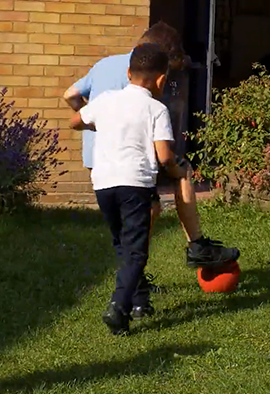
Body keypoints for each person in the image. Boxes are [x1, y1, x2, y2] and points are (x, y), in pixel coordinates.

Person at [64, 21, 240, 319]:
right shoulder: (144, 80)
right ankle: (193, 247)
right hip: (129, 161)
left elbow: (70, 94)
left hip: (100, 159)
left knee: (138, 225)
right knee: (179, 174)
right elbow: (159, 148)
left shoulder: (108, 63)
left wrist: (95, 122)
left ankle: (138, 289)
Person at [70, 43, 187, 335]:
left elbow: (75, 121)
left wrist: (103, 125)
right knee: (136, 252)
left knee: (122, 245)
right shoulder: (157, 109)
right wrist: (178, 170)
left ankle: (138, 303)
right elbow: (164, 156)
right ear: (161, 79)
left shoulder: (106, 101)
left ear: (128, 72)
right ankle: (118, 306)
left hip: (104, 184)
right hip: (134, 185)